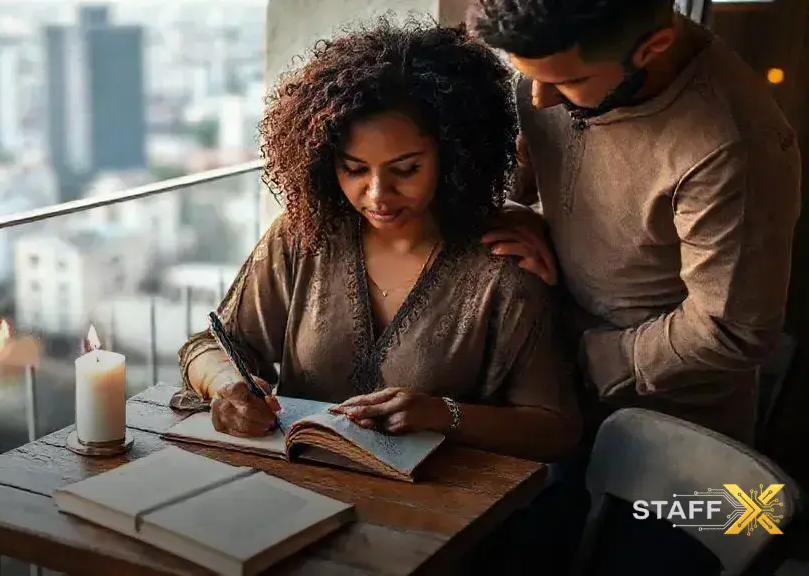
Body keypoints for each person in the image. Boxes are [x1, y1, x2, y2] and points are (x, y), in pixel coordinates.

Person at [463, 1, 801, 573]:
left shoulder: (733, 144)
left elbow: (733, 329)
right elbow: (529, 175)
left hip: (681, 432)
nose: (537, 100)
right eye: (526, 73)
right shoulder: (551, 69)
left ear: (652, 47)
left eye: (565, 82)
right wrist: (519, 213)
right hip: (552, 403)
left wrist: (571, 352)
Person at [172, 18, 581, 464]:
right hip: (293, 489)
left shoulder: (504, 263)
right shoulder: (304, 236)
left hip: (439, 511)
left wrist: (443, 414)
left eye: (405, 170)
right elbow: (210, 345)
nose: (377, 195)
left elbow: (555, 430)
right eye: (354, 169)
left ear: (456, 154)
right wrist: (225, 386)